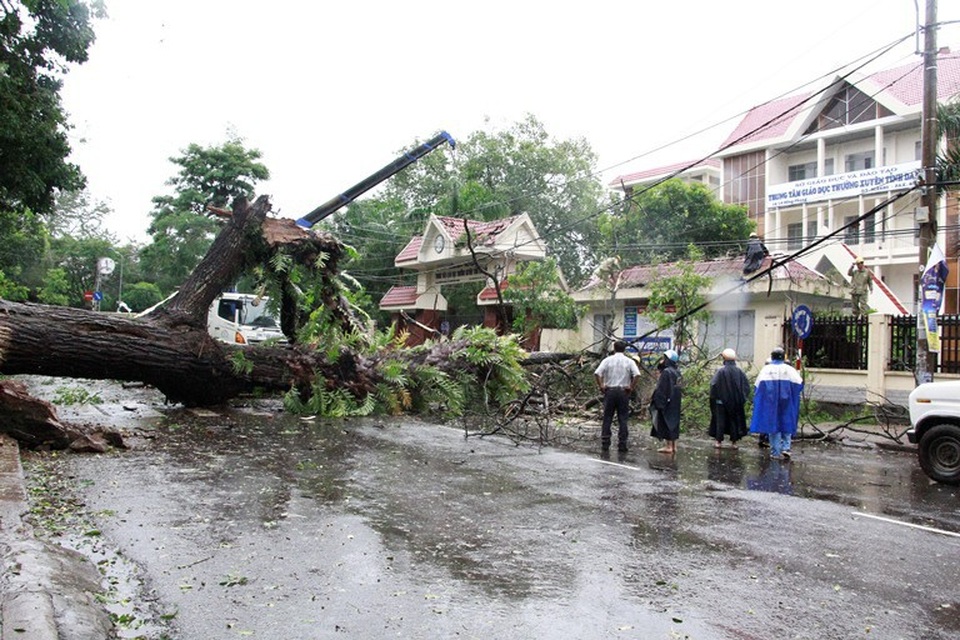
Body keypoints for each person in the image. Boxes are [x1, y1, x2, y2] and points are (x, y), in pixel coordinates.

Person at [749, 347, 803, 460]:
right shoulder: (789, 370)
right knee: (786, 423)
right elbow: (799, 384)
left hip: (770, 402)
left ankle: (775, 452)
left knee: (772, 426)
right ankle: (786, 448)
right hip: (786, 402)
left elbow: (757, 387)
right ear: (783, 357)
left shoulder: (766, 370)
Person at [594, 340, 641, 452]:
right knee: (623, 418)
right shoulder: (629, 361)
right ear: (624, 349)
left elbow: (597, 373)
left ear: (614, 348)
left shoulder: (607, 360)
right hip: (623, 392)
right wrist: (631, 386)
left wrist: (601, 385)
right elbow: (637, 374)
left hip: (610, 391)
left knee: (607, 417)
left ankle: (605, 443)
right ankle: (622, 444)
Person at [708, 348, 751, 449]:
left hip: (721, 402)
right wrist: (741, 399)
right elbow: (746, 387)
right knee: (734, 421)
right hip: (736, 403)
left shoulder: (720, 371)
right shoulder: (739, 371)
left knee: (720, 421)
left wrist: (714, 398)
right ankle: (734, 442)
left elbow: (714, 385)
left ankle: (718, 441)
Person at [650, 349, 682, 454]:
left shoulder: (667, 372)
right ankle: (674, 445)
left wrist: (658, 402)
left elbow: (662, 389)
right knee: (674, 423)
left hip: (666, 402)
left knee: (666, 422)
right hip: (675, 402)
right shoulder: (677, 372)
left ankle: (668, 446)